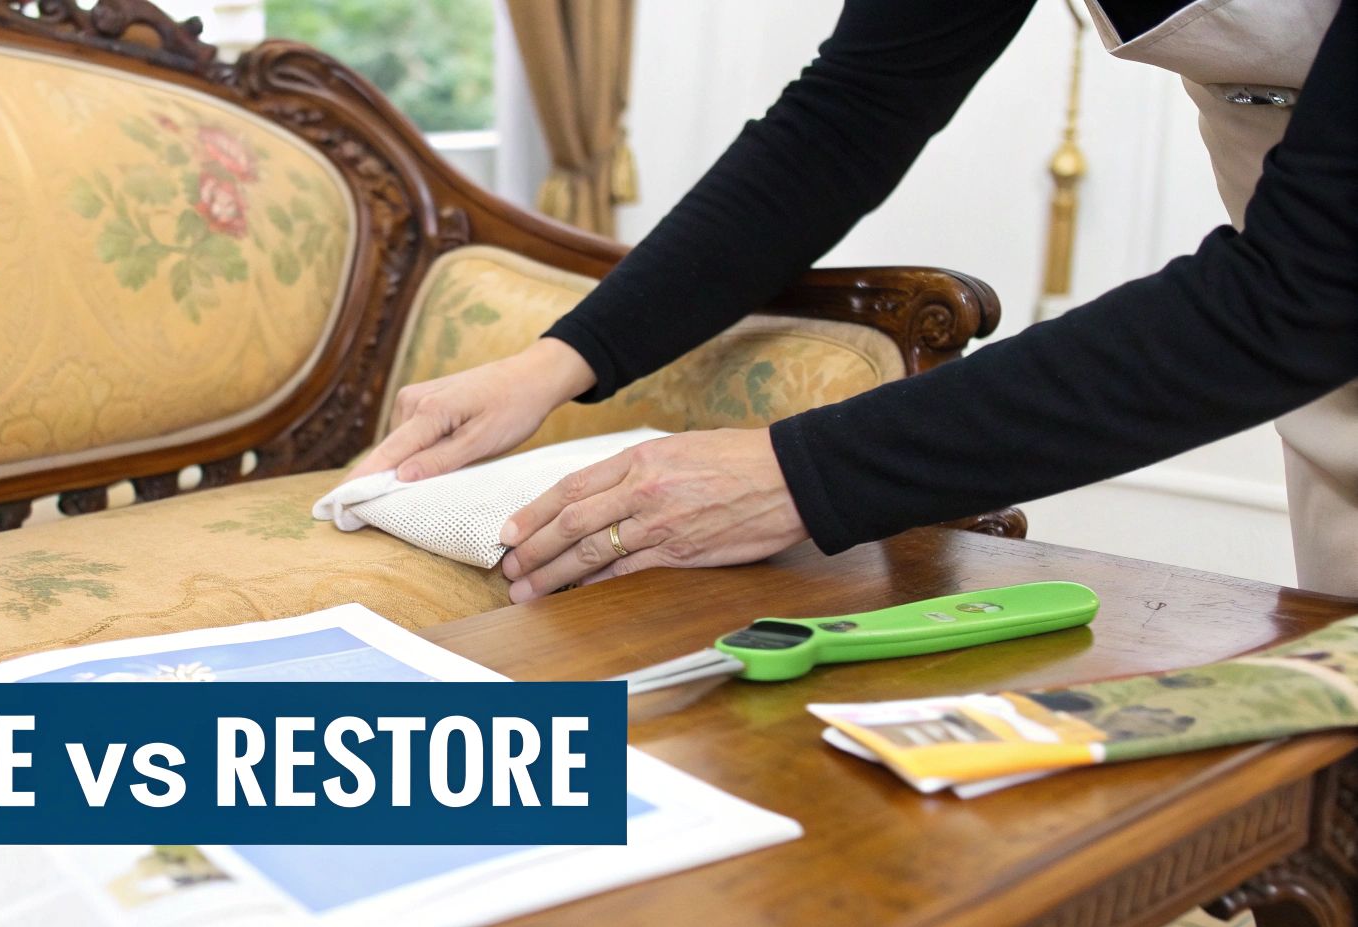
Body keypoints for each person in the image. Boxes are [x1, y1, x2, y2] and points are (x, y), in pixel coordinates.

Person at [349, 0, 1358, 602]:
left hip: (1305, 277)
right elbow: (848, 117)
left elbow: (1309, 286)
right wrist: (555, 361)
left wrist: (795, 472)